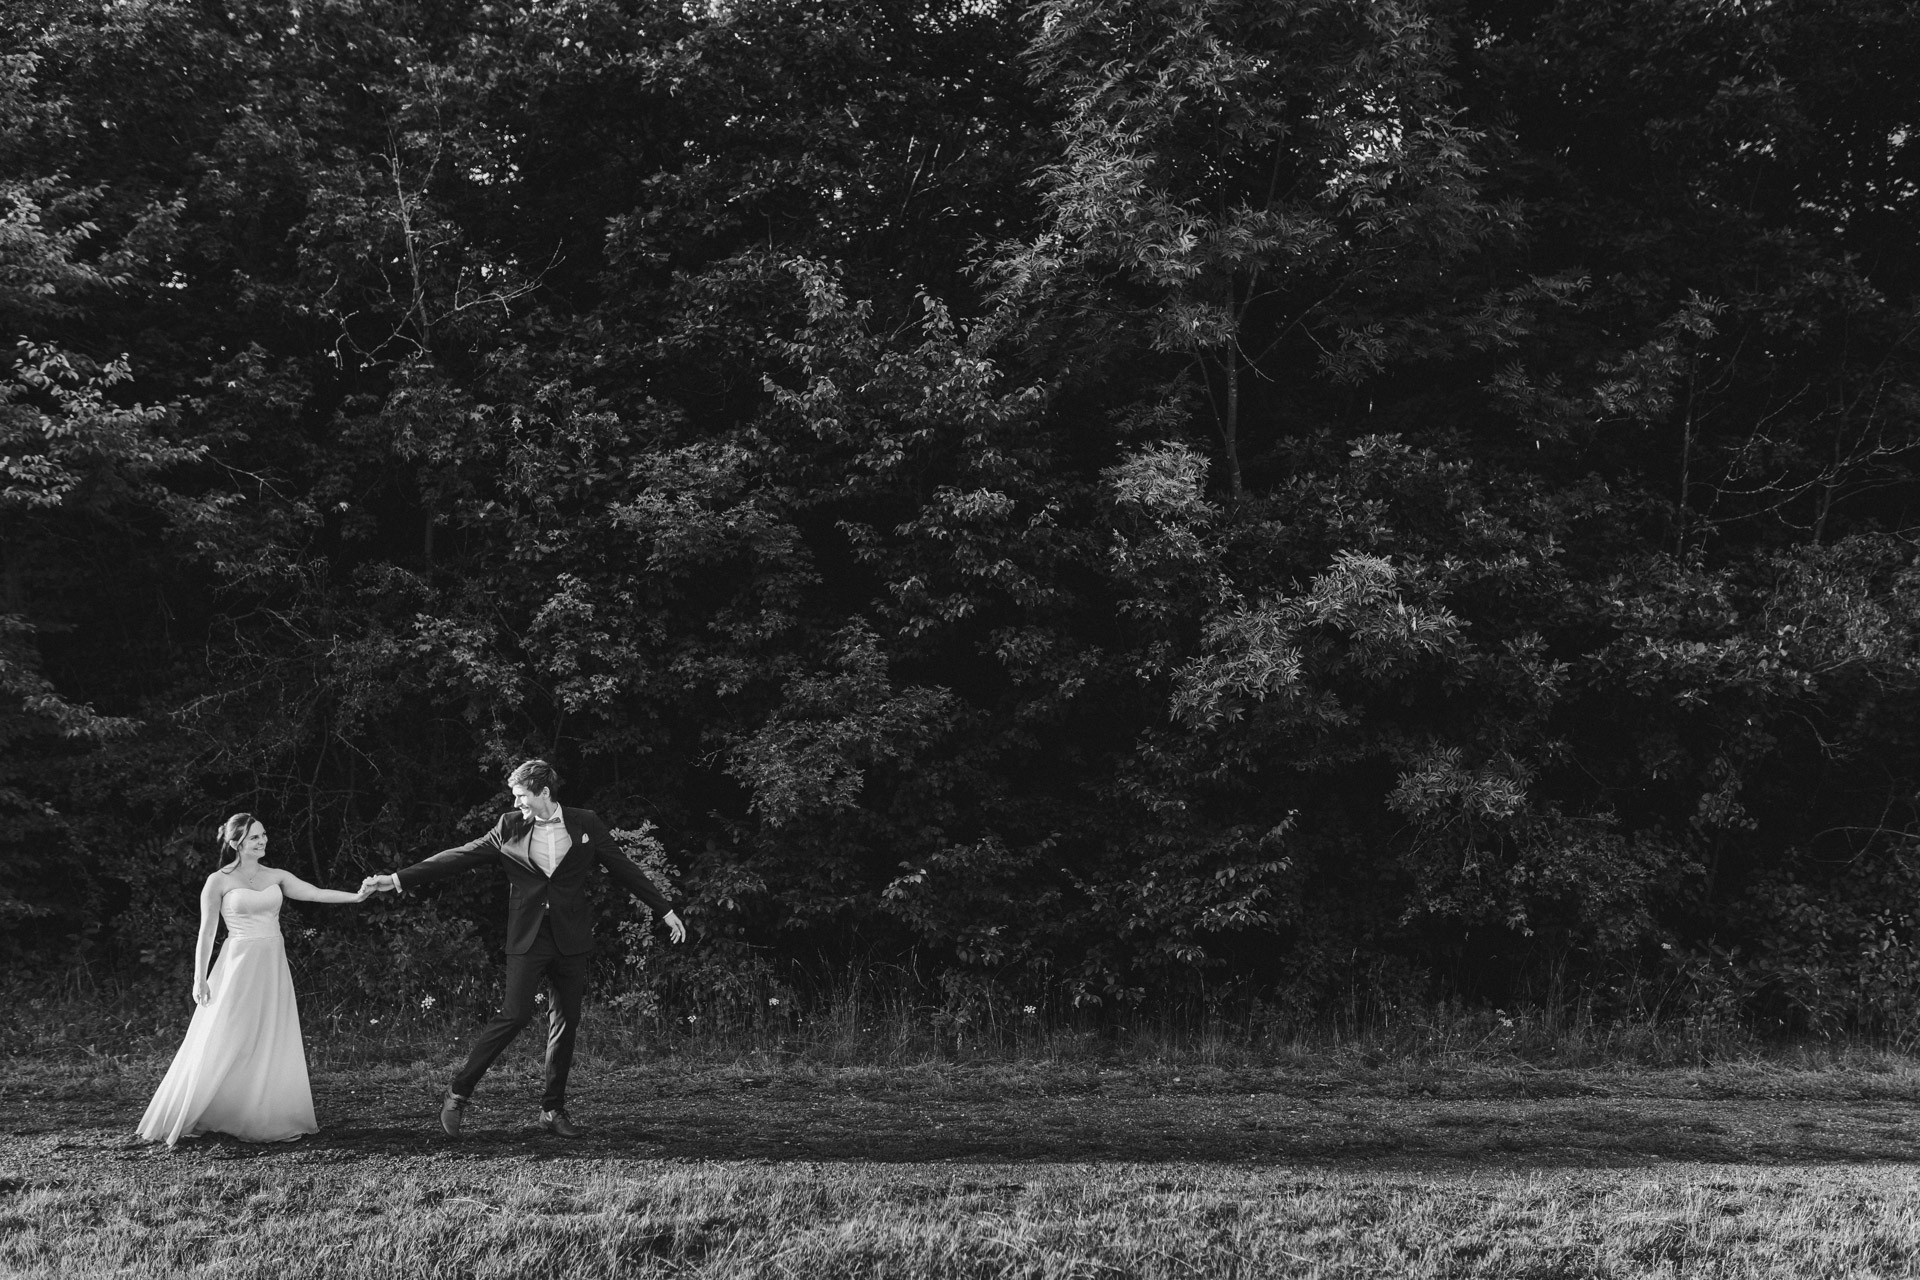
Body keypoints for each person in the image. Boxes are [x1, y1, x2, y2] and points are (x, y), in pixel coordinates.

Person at [361, 759, 686, 1137]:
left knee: (566, 1023)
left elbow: (623, 866)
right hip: (528, 937)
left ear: (544, 792)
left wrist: (664, 909)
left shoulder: (586, 822)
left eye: (521, 796)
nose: (517, 803)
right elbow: (460, 856)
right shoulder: (509, 826)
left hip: (570, 938)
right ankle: (457, 1093)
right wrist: (397, 879)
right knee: (513, 1016)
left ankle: (552, 1111)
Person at [137, 814, 375, 1147]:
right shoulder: (217, 881)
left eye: (263, 835)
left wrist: (355, 897)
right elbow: (206, 933)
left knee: (268, 1033)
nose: (262, 841)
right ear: (236, 843)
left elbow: (316, 894)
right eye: (254, 838)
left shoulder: (276, 876)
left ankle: (260, 1111)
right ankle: (204, 1106)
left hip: (272, 964)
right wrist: (199, 978)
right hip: (238, 965)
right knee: (228, 1033)